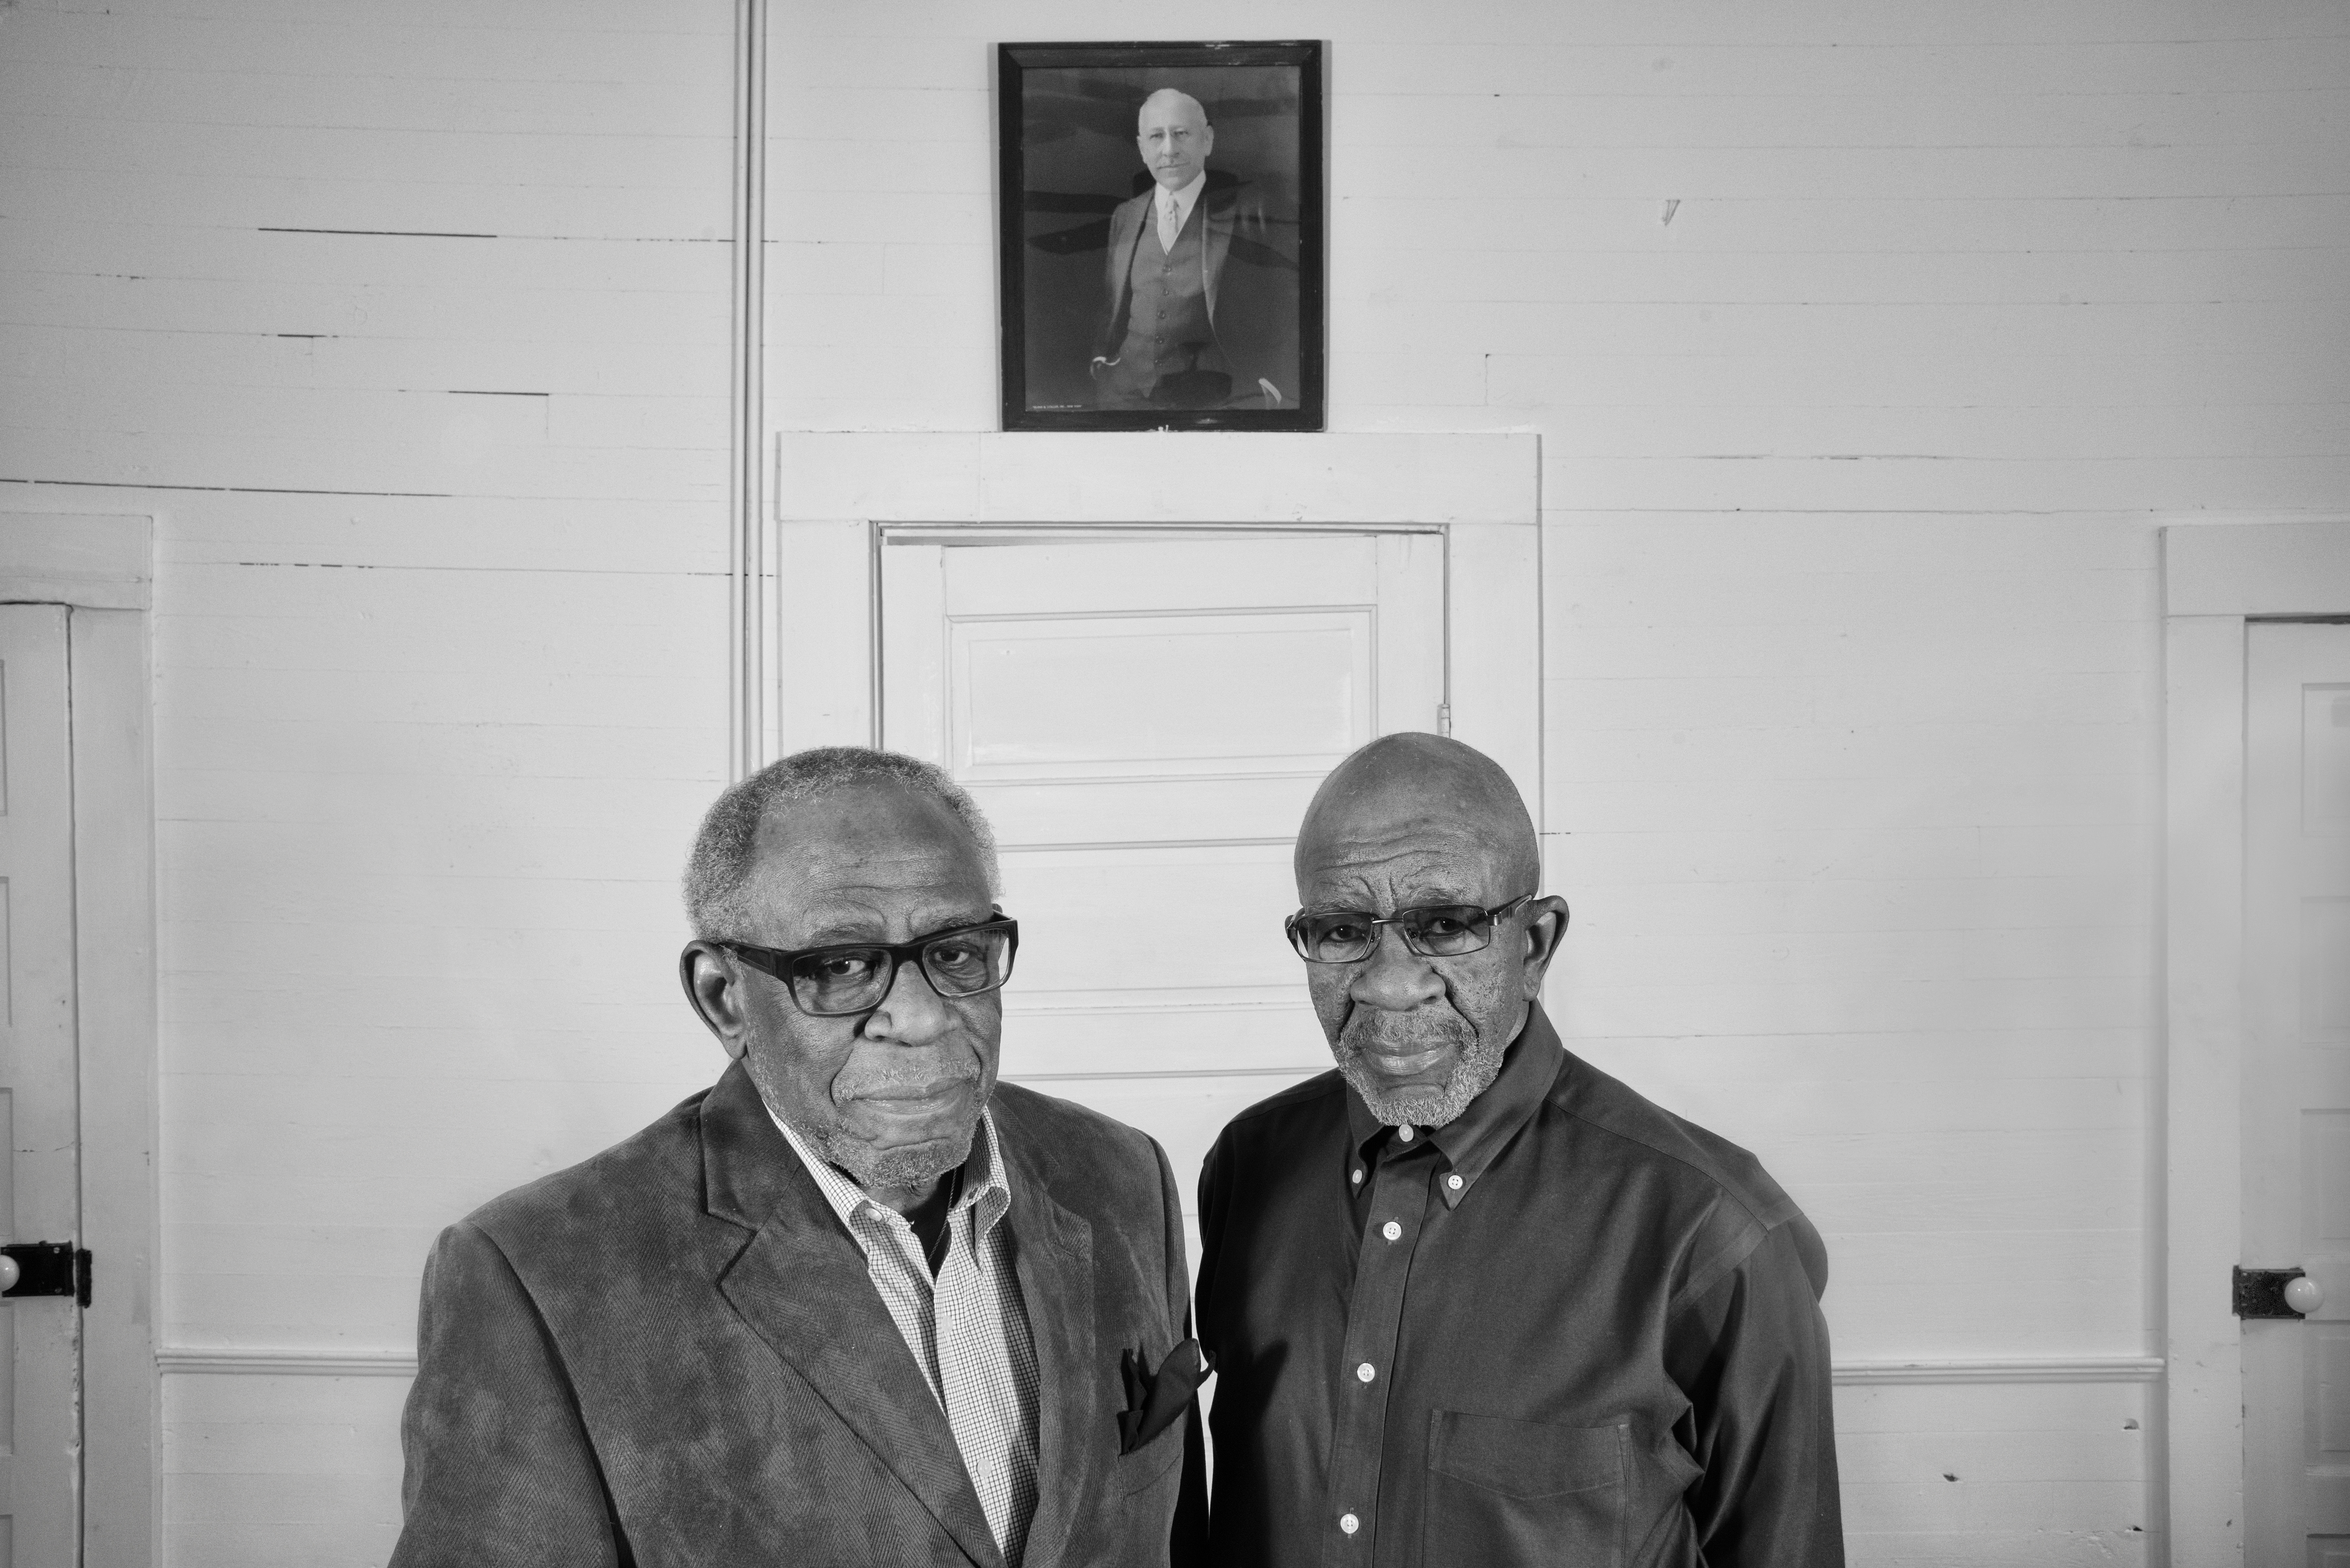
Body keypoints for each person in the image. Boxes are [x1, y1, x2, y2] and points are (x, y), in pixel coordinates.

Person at [390, 747, 1206, 1567]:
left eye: (957, 951)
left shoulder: (1121, 1175)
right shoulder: (537, 1275)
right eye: (840, 967)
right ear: (724, 997)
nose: (920, 1019)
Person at [1195, 733, 1843, 1566]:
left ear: (1534, 943)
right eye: (1340, 930)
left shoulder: (1711, 1228)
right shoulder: (1248, 1167)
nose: (1390, 982)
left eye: (1443, 925)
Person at [1090, 87, 1298, 412]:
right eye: (1156, 137)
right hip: (1124, 393)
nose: (1169, 150)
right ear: (1142, 148)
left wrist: (1274, 386)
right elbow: (1110, 302)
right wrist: (1102, 362)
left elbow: (1287, 307)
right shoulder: (1125, 215)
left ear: (1208, 140)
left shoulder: (1251, 212)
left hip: (1214, 396)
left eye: (1181, 134)